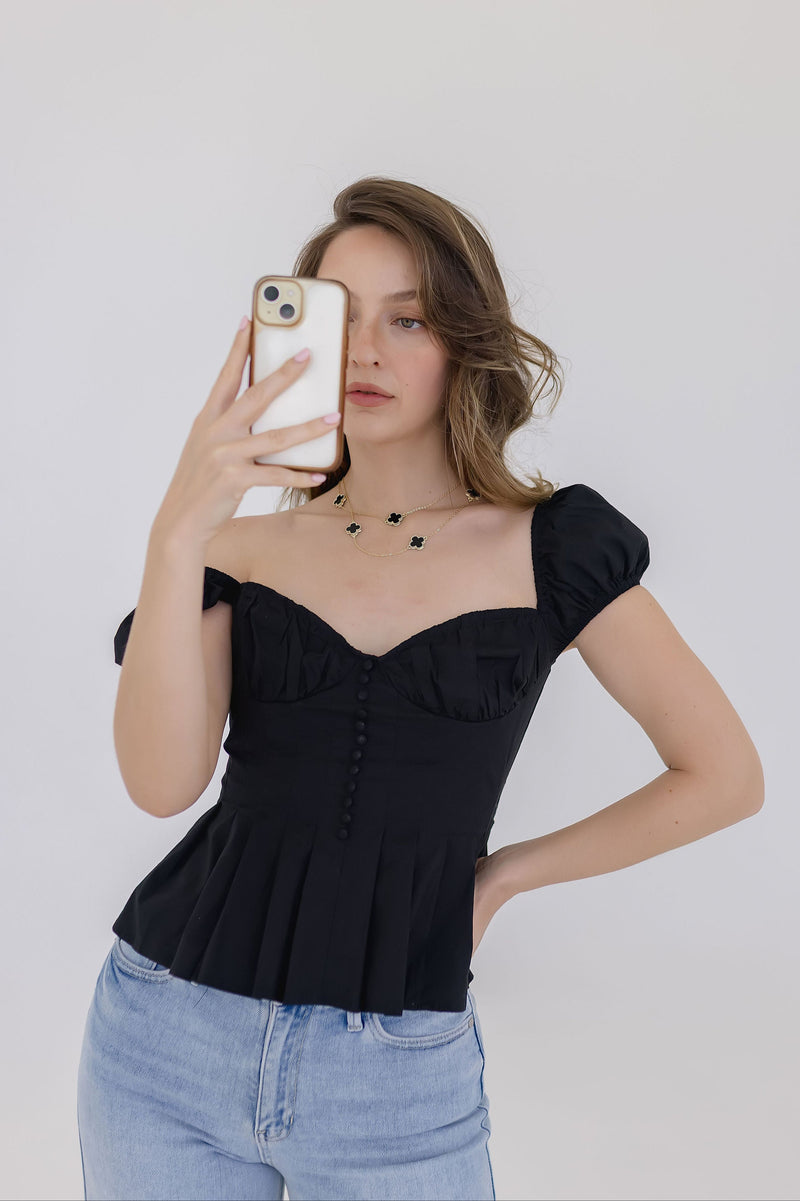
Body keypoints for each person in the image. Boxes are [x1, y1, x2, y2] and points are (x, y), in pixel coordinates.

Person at [76, 177, 765, 1201]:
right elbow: (160, 783)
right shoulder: (234, 551)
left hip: (393, 1077)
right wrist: (177, 530)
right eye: (339, 317)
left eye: (407, 319)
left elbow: (723, 775)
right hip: (163, 1041)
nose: (365, 351)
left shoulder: (553, 548)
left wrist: (502, 877)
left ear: (464, 343)